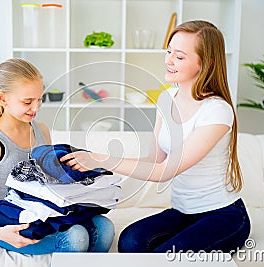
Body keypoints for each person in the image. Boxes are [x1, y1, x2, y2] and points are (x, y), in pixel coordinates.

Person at [60, 20, 251, 253]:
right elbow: (154, 160)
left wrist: (101, 159)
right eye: (169, 51)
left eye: (179, 56)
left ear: (206, 63)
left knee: (162, 258)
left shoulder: (217, 110)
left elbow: (165, 172)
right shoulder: (166, 98)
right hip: (182, 212)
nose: (168, 60)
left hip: (224, 216)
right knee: (130, 242)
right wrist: (95, 165)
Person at [0, 58, 114, 255]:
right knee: (76, 237)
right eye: (27, 102)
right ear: (3, 99)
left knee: (105, 228)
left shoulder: (41, 130)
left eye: (39, 99)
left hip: (42, 212)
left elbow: (48, 182)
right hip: (9, 222)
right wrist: (0, 233)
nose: (36, 108)